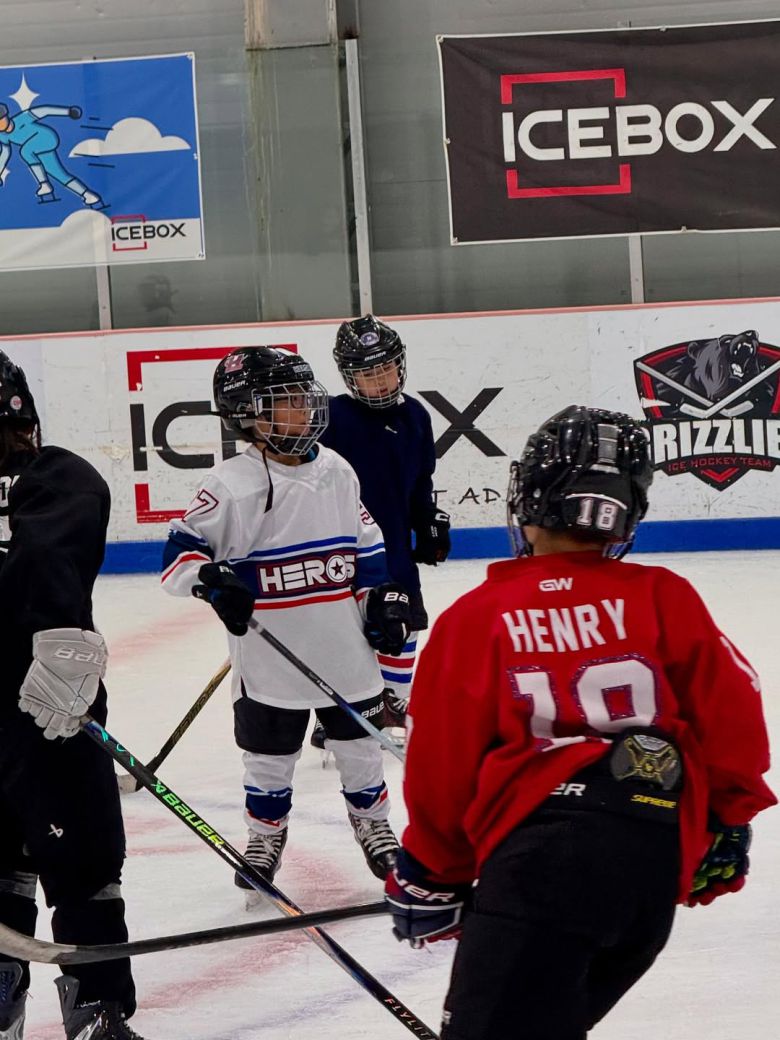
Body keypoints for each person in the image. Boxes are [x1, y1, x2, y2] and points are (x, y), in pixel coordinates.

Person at [385, 405, 776, 1040]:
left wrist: (433, 872)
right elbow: (735, 711)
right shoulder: (664, 595)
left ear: (528, 499)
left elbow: (441, 762)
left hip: (540, 869)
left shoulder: (479, 617)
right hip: (649, 871)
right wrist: (728, 820)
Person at [161, 346, 410, 888]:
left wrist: (379, 602)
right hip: (269, 663)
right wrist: (212, 581)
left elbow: (366, 555)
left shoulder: (337, 471)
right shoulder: (230, 485)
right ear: (246, 413)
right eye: (287, 401)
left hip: (346, 654)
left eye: (304, 397)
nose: (306, 410)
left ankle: (374, 826)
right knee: (268, 759)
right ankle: (265, 835)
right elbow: (178, 558)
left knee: (361, 751)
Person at [0, 353, 144, 1039]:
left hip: (49, 710)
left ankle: (97, 1005)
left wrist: (63, 645)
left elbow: (51, 566)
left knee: (83, 859)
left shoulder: (55, 477)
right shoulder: (59, 476)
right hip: (39, 712)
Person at [311, 314, 449, 746]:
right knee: (346, 629)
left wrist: (427, 519)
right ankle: (339, 710)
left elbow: (420, 479)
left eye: (386, 368)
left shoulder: (416, 416)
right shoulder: (331, 417)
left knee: (405, 618)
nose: (381, 380)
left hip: (394, 542)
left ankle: (393, 699)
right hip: (341, 547)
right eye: (368, 374)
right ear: (349, 377)